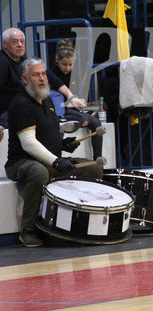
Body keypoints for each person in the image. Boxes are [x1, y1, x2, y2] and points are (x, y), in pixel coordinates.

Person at [5, 57, 103, 247]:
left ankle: (85, 224)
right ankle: (29, 231)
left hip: (49, 161)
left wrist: (63, 143)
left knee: (93, 167)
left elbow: (49, 131)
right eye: (36, 75)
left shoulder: (47, 99)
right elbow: (29, 144)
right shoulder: (20, 104)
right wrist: (56, 161)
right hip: (22, 163)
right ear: (25, 79)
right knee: (38, 172)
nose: (42, 78)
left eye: (43, 74)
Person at [52, 41, 103, 159]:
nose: (67, 68)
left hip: (72, 108)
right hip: (60, 110)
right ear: (57, 60)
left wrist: (80, 101)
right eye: (64, 64)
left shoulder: (74, 74)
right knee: (83, 119)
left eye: (70, 64)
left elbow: (75, 95)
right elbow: (57, 101)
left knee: (96, 123)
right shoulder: (52, 75)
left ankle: (97, 159)